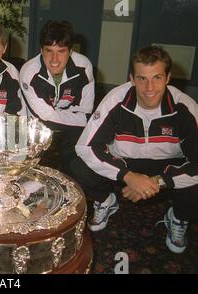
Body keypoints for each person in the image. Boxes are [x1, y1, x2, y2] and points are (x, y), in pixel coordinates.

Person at [73, 46, 198, 254]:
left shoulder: (184, 107)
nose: (149, 87)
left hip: (166, 166)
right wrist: (128, 176)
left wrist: (157, 181)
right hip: (125, 162)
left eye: (157, 77)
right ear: (132, 78)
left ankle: (178, 216)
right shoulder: (116, 100)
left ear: (168, 77)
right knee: (78, 165)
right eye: (142, 78)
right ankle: (106, 200)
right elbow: (85, 146)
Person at [19, 20, 95, 177]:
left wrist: (78, 118)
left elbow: (86, 111)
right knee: (30, 176)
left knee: (80, 165)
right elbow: (45, 118)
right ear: (41, 50)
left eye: (61, 51)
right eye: (49, 51)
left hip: (71, 128)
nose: (54, 59)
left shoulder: (83, 67)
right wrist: (78, 117)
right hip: (35, 128)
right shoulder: (29, 72)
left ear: (70, 51)